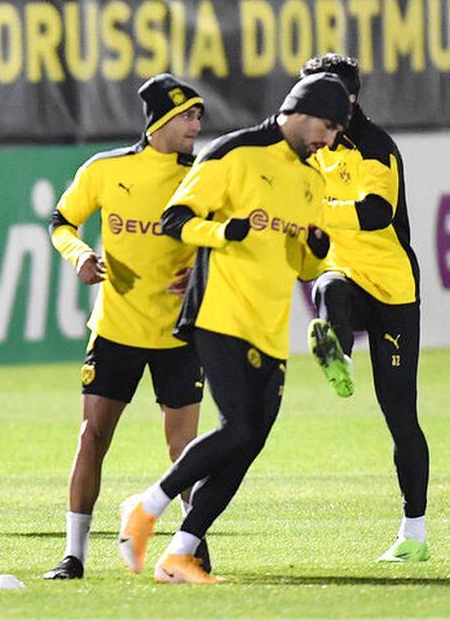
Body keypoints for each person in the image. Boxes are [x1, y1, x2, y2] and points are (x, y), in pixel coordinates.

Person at [116, 73, 349, 583]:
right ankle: (147, 506)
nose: (330, 141)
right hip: (219, 313)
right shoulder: (233, 152)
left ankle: (179, 554)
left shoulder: (313, 180)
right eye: (328, 127)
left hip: (270, 325)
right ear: (302, 111)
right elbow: (176, 219)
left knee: (250, 441)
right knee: (238, 428)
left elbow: (305, 268)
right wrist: (223, 231)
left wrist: (315, 253)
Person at [43, 74, 207, 580]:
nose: (196, 126)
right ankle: (74, 555)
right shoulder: (106, 169)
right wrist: (79, 255)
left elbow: (223, 237)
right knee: (92, 437)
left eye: (198, 116)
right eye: (186, 116)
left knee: (185, 452)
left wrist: (202, 269)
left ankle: (191, 549)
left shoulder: (204, 174)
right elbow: (61, 222)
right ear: (159, 121)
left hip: (179, 332)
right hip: (115, 329)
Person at [299, 53, 430, 563]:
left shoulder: (376, 148)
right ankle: (340, 357)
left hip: (393, 290)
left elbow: (378, 213)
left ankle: (414, 534)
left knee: (400, 415)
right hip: (346, 273)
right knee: (327, 287)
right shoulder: (310, 148)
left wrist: (315, 211)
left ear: (348, 99)